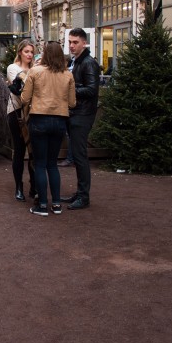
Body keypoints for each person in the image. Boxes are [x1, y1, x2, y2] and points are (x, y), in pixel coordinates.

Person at [20, 42, 76, 216]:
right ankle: (56, 204)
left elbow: (24, 98)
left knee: (40, 163)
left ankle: (42, 204)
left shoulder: (35, 71)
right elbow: (72, 102)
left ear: (44, 54)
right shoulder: (68, 75)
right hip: (60, 120)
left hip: (39, 119)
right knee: (52, 164)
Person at [61, 29, 101, 210]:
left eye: (75, 42)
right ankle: (80, 193)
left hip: (82, 114)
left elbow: (92, 90)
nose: (71, 45)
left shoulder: (88, 63)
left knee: (79, 155)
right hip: (77, 112)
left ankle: (83, 196)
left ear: (84, 43)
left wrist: (69, 89)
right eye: (70, 42)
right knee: (78, 155)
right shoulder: (77, 61)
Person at [6, 38, 38, 201]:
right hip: (17, 112)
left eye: (32, 52)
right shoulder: (13, 68)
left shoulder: (35, 69)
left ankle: (34, 186)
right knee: (19, 150)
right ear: (20, 52)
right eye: (26, 51)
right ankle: (19, 186)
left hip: (33, 113)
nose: (29, 55)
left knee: (34, 152)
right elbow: (21, 87)